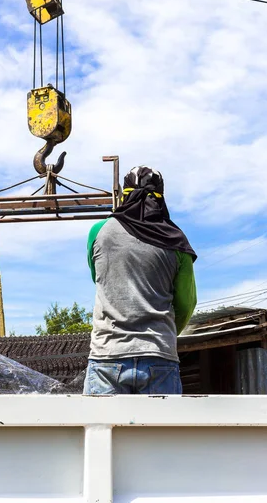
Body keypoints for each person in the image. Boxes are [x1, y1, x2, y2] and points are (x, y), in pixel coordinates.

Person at [83, 166, 197, 395]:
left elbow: (98, 278)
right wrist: (164, 334)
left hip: (107, 356)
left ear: (125, 195)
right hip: (159, 358)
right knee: (158, 432)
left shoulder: (99, 231)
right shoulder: (176, 241)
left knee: (101, 429)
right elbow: (186, 304)